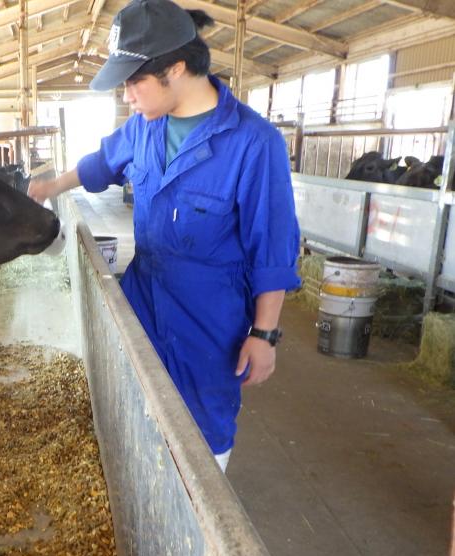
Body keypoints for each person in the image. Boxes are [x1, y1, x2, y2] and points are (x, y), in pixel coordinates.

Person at [28, 0, 300, 473]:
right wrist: (51, 186)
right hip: (143, 296)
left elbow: (272, 247)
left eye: (134, 83)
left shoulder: (254, 143)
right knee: (137, 406)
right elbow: (99, 165)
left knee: (204, 433)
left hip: (210, 321)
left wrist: (264, 334)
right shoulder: (142, 129)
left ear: (175, 69)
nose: (127, 96)